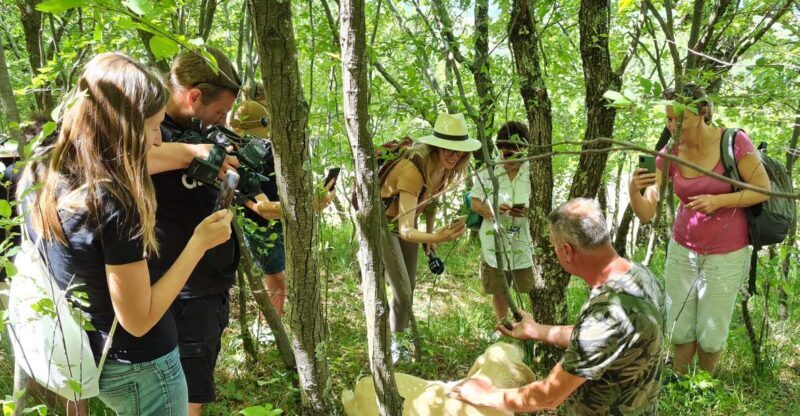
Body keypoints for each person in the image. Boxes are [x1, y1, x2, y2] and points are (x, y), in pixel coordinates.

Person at [17, 52, 233, 415]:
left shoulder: (46, 173)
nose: (158, 141)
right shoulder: (115, 203)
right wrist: (199, 244)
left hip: (93, 355)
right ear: (122, 126)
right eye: (152, 127)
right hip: (143, 368)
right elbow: (138, 320)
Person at [453, 198, 664, 415]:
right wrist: (536, 330)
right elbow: (603, 337)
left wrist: (486, 395)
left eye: (554, 246)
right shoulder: (639, 276)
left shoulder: (606, 315)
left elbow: (549, 395)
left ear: (566, 251)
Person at [629, 83, 770, 375]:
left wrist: (719, 200)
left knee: (711, 328)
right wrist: (634, 191)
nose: (672, 126)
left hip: (726, 253)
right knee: (680, 324)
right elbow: (646, 212)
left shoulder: (733, 142)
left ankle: (705, 386)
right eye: (668, 119)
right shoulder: (670, 151)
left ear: (702, 112)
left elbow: (763, 190)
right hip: (682, 249)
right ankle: (682, 382)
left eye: (679, 119)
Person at [146, 47, 242, 415]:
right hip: (179, 290)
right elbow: (118, 160)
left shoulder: (198, 132)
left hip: (208, 286)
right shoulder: (151, 132)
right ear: (194, 95)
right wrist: (190, 152)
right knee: (182, 397)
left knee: (193, 390)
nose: (223, 119)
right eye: (220, 111)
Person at [229, 83, 334, 341]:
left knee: (280, 280)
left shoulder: (263, 151)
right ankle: (266, 330)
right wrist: (308, 206)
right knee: (278, 280)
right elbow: (261, 208)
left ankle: (268, 328)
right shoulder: (233, 160)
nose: (262, 138)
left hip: (279, 222)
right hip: (259, 228)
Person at [380, 112, 480, 361]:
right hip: (384, 225)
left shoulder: (444, 171)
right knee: (402, 290)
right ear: (437, 145)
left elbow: (430, 203)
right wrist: (436, 237)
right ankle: (393, 346)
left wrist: (428, 239)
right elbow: (403, 228)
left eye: (459, 151)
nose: (453, 155)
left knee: (408, 289)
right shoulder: (413, 170)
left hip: (408, 224)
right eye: (448, 148)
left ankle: (399, 340)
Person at [470, 121, 534, 328]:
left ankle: (531, 326)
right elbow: (474, 202)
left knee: (529, 287)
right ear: (499, 149)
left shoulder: (534, 172)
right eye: (506, 154)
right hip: (494, 242)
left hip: (525, 242)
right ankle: (502, 325)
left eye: (517, 153)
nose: (511, 159)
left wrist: (527, 211)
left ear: (525, 149)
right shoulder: (488, 171)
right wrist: (491, 212)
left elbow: (546, 205)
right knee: (499, 288)